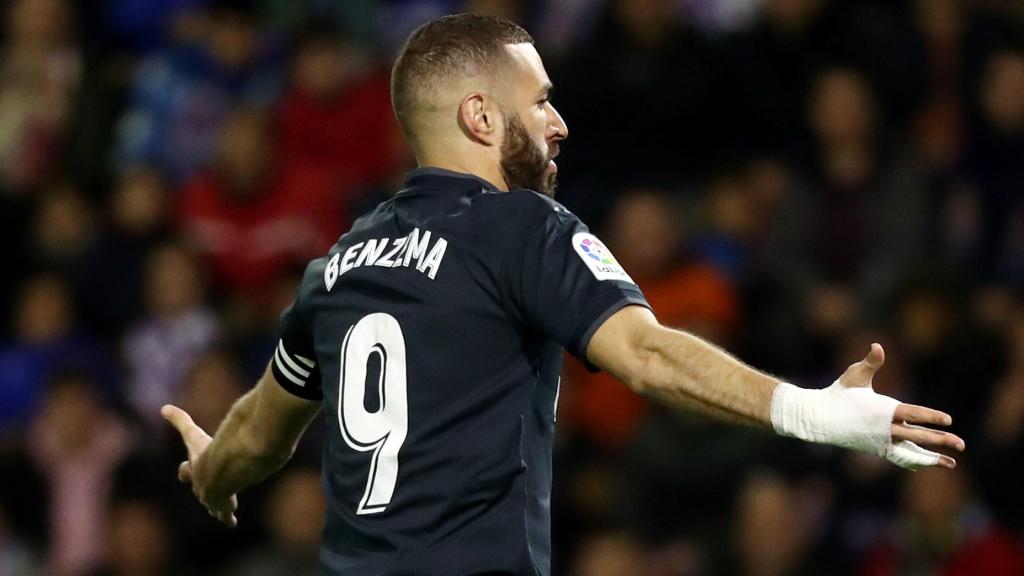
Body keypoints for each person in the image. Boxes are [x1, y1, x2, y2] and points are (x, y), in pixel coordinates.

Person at [161, 14, 965, 576]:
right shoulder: (520, 227)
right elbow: (645, 354)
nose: (560, 122)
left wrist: (212, 473)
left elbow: (259, 437)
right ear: (480, 116)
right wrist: (818, 412)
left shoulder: (337, 265)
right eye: (539, 98)